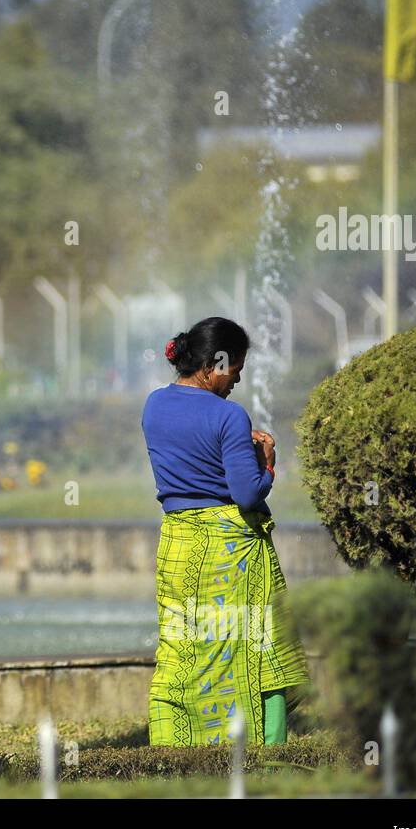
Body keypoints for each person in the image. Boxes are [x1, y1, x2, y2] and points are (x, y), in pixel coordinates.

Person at [140, 316, 309, 747]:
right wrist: (266, 462)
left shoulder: (153, 405)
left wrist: (232, 444)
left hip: (179, 548)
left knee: (181, 651)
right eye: (236, 369)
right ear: (216, 363)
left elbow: (191, 455)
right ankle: (266, 749)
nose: (237, 380)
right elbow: (247, 495)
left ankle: (174, 750)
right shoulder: (229, 416)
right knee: (261, 648)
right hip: (232, 554)